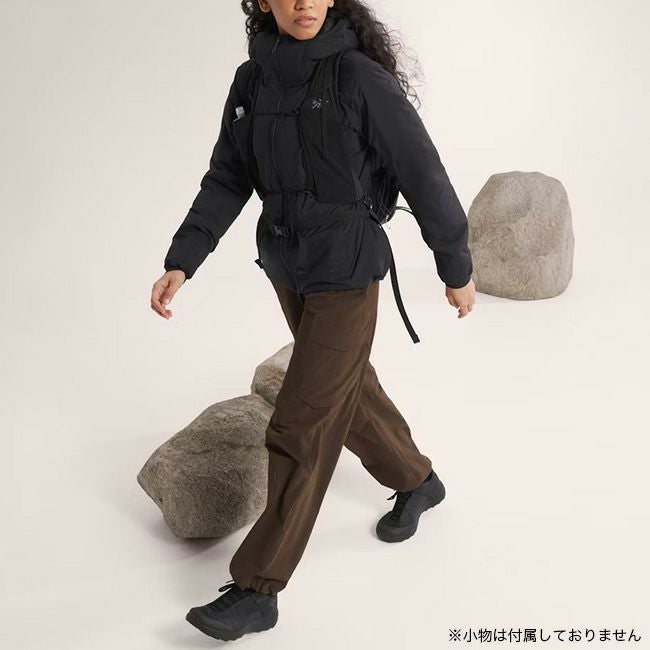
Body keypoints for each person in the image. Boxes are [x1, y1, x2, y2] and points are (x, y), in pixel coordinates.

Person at [150, 0, 475, 641]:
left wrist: (455, 264)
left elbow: (421, 169)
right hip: (286, 267)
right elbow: (228, 177)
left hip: (347, 269)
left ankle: (257, 588)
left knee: (302, 421)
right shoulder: (252, 81)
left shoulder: (357, 77)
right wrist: (183, 259)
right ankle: (417, 480)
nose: (304, 2)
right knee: (344, 391)